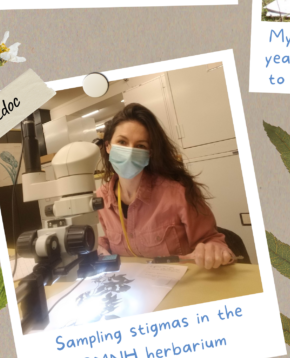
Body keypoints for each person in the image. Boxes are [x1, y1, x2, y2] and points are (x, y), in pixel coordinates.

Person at [95, 103, 234, 269]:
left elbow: (213, 242)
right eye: (122, 142)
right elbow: (113, 241)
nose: (130, 152)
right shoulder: (101, 198)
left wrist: (214, 250)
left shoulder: (178, 192)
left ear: (150, 153)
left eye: (140, 146)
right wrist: (98, 246)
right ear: (108, 146)